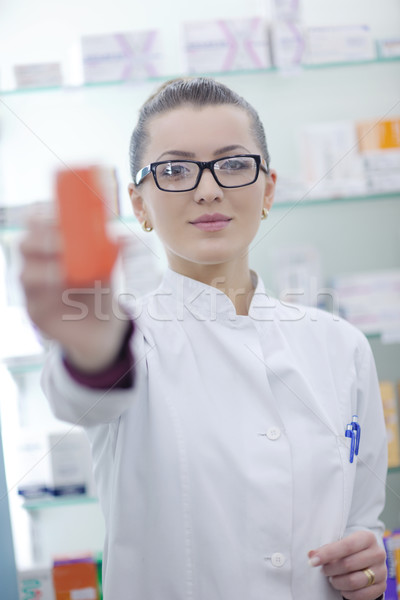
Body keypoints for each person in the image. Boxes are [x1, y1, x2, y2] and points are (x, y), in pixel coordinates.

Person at [20, 77, 388, 600]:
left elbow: (363, 521)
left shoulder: (341, 345)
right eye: (173, 170)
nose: (208, 189)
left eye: (234, 164)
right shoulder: (124, 339)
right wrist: (91, 348)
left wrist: (367, 562)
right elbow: (81, 389)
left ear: (268, 188)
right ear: (139, 204)